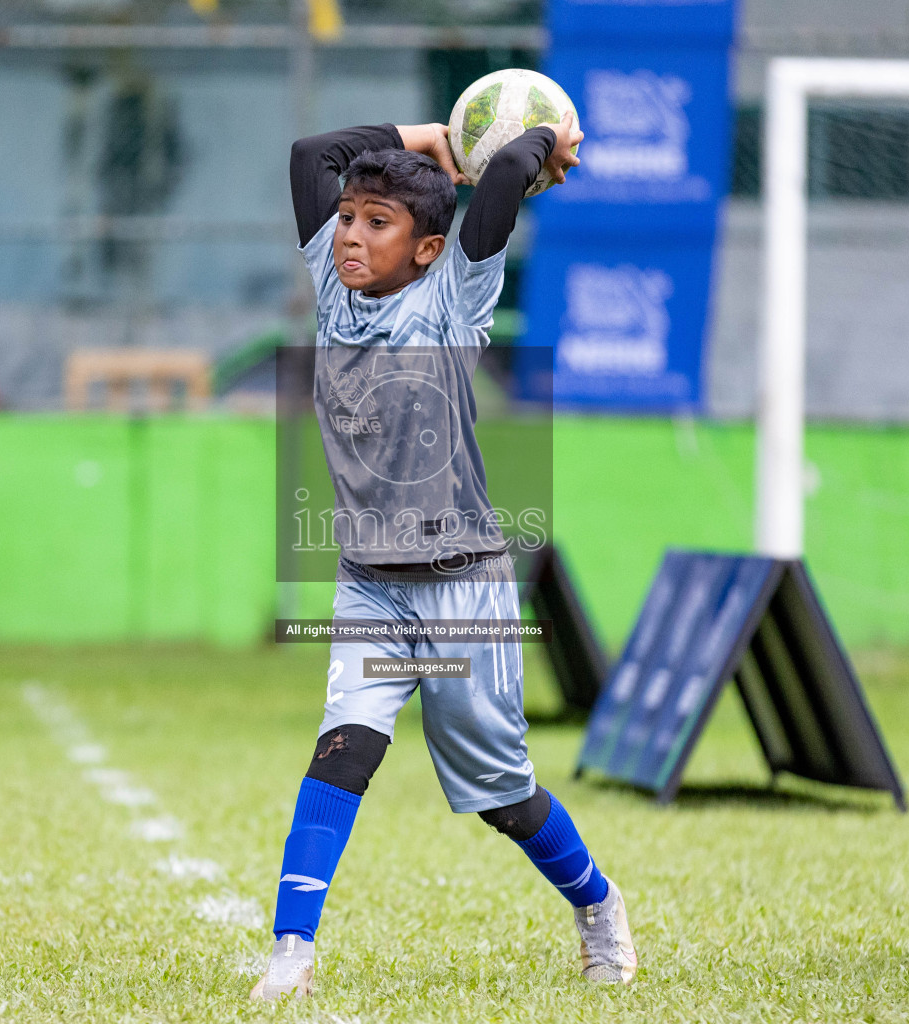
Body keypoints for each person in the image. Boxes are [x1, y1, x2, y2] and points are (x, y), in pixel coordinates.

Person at [252, 112, 636, 1001]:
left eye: (377, 224)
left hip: (464, 587)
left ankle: (599, 902)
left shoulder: (454, 298)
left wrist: (544, 134)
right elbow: (312, 153)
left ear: (428, 249)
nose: (350, 234)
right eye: (347, 217)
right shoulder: (329, 278)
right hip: (369, 587)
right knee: (343, 747)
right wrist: (424, 134)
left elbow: (502, 181)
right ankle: (292, 953)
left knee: (503, 795)